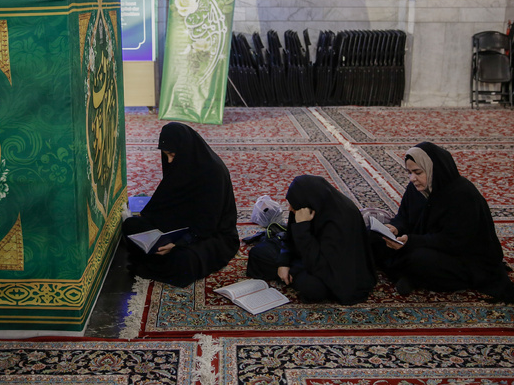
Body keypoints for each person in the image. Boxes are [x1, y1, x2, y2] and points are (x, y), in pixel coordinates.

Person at [371, 141, 514, 302]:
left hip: (460, 257)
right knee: (375, 237)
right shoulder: (417, 188)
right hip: (422, 242)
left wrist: (411, 241)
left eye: (418, 172)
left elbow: (453, 241)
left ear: (433, 169)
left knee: (419, 258)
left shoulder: (462, 195)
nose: (412, 178)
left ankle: (411, 275)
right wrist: (395, 228)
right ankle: (411, 274)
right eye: (409, 172)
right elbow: (404, 217)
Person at [122, 122, 239, 287]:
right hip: (177, 228)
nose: (169, 161)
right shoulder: (179, 165)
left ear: (186, 149)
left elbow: (208, 224)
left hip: (208, 234)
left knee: (184, 260)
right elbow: (165, 203)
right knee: (131, 225)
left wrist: (178, 243)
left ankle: (154, 262)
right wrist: (153, 223)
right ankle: (157, 259)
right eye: (166, 155)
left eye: (172, 155)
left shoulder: (214, 173)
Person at [247, 175, 377, 305]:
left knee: (312, 288)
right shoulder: (305, 205)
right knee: (258, 253)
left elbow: (322, 265)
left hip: (335, 271)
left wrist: (302, 228)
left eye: (293, 205)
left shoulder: (341, 220)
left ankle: (292, 274)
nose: (290, 209)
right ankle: (290, 272)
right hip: (307, 254)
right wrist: (284, 262)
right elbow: (290, 239)